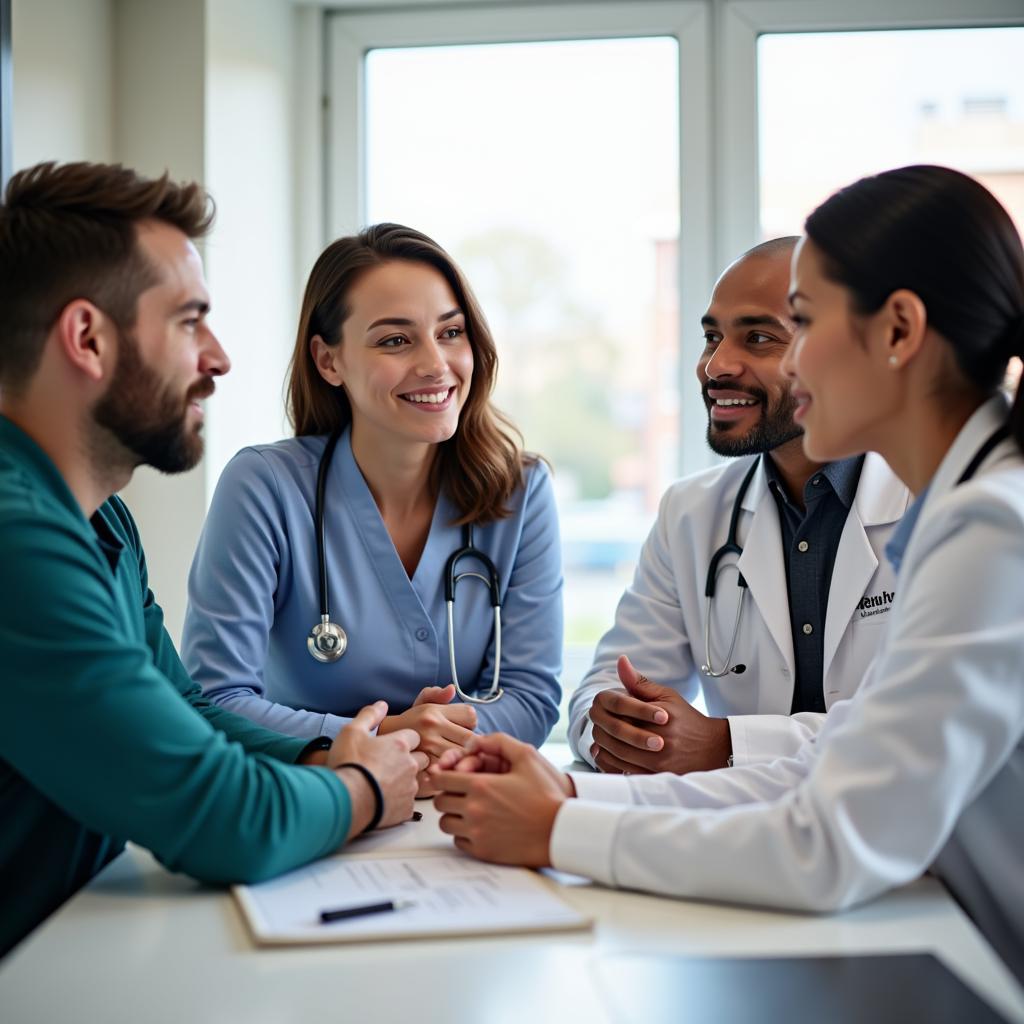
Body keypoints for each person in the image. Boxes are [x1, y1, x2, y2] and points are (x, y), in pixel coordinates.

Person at [432, 166, 1024, 985]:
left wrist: (558, 832)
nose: (724, 365)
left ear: (898, 331)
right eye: (715, 336)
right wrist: (574, 799)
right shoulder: (970, 509)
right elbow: (828, 767)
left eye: (800, 323)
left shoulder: (994, 526)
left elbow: (826, 846)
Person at [0, 162, 424, 958]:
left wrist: (330, 749)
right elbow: (221, 821)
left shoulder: (101, 522)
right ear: (88, 338)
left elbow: (184, 708)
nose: (220, 357)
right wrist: (366, 789)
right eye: (190, 321)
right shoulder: (14, 540)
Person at [181, 224, 563, 781]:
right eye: (395, 340)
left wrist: (435, 747)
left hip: (458, 807)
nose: (436, 364)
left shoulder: (520, 492)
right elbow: (217, 698)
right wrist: (390, 737)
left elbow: (530, 699)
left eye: (451, 332)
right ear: (328, 361)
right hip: (314, 797)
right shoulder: (264, 487)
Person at [569, 238, 909, 774]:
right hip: (740, 832)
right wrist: (625, 728)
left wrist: (728, 745)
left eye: (758, 338)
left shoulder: (936, 502)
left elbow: (923, 729)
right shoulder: (691, 512)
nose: (715, 365)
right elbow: (605, 686)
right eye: (711, 337)